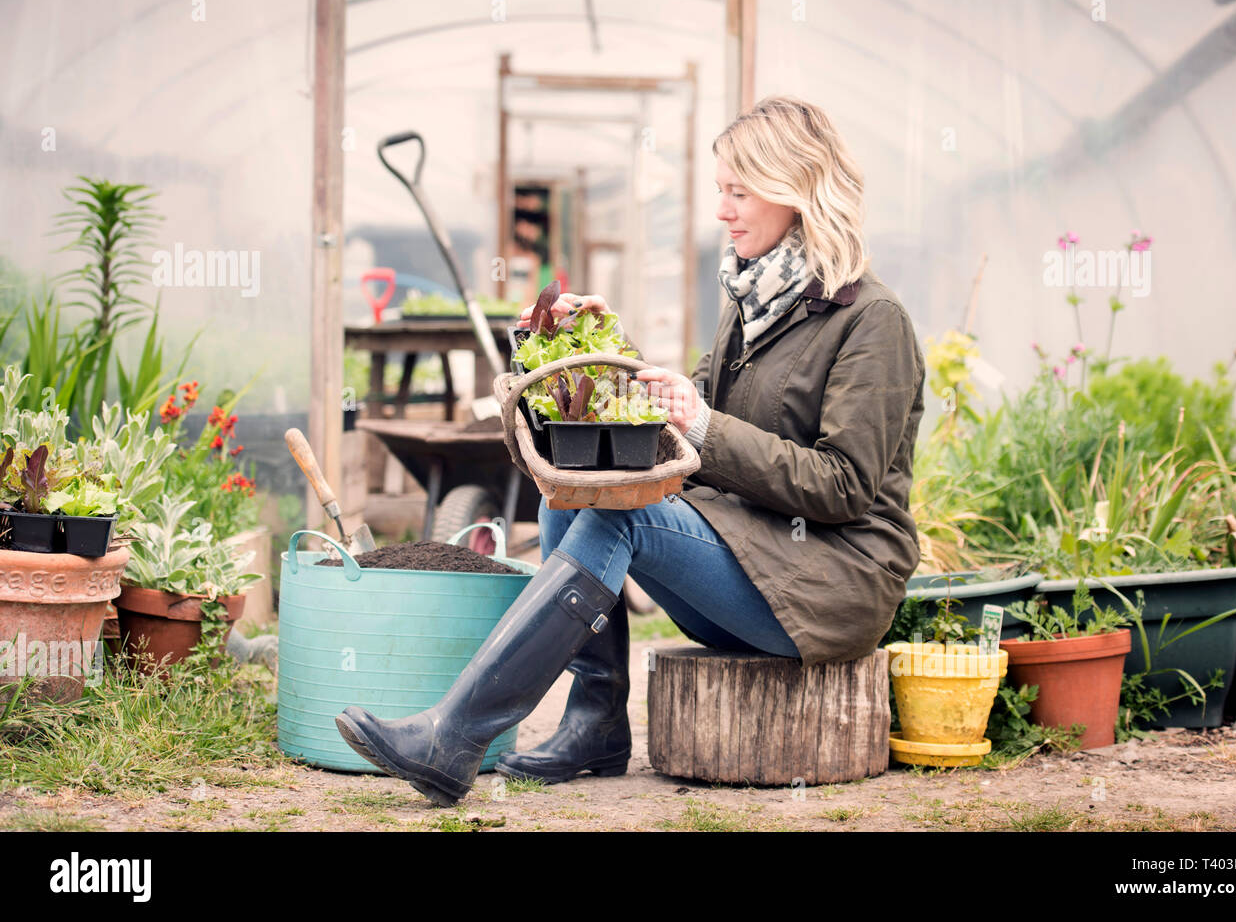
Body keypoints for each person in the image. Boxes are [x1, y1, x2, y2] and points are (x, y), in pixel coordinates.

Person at [335, 95, 927, 805]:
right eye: (721, 191)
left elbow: (843, 486)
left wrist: (706, 425)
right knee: (582, 482)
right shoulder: (754, 301)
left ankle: (454, 736)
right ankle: (596, 724)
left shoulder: (872, 322)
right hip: (754, 564)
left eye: (738, 192)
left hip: (830, 588)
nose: (723, 210)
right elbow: (674, 413)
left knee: (626, 516)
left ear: (794, 191)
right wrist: (589, 343)